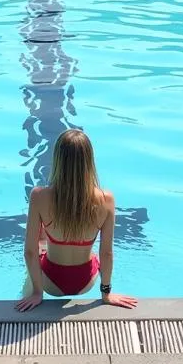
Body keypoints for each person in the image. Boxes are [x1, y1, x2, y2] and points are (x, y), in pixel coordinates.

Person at [16, 129, 137, 311]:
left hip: (50, 283)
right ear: (89, 161)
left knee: (40, 242)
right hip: (85, 282)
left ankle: (29, 296)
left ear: (57, 159)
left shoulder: (39, 196)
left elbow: (30, 253)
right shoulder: (106, 199)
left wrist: (37, 293)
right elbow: (107, 254)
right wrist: (106, 294)